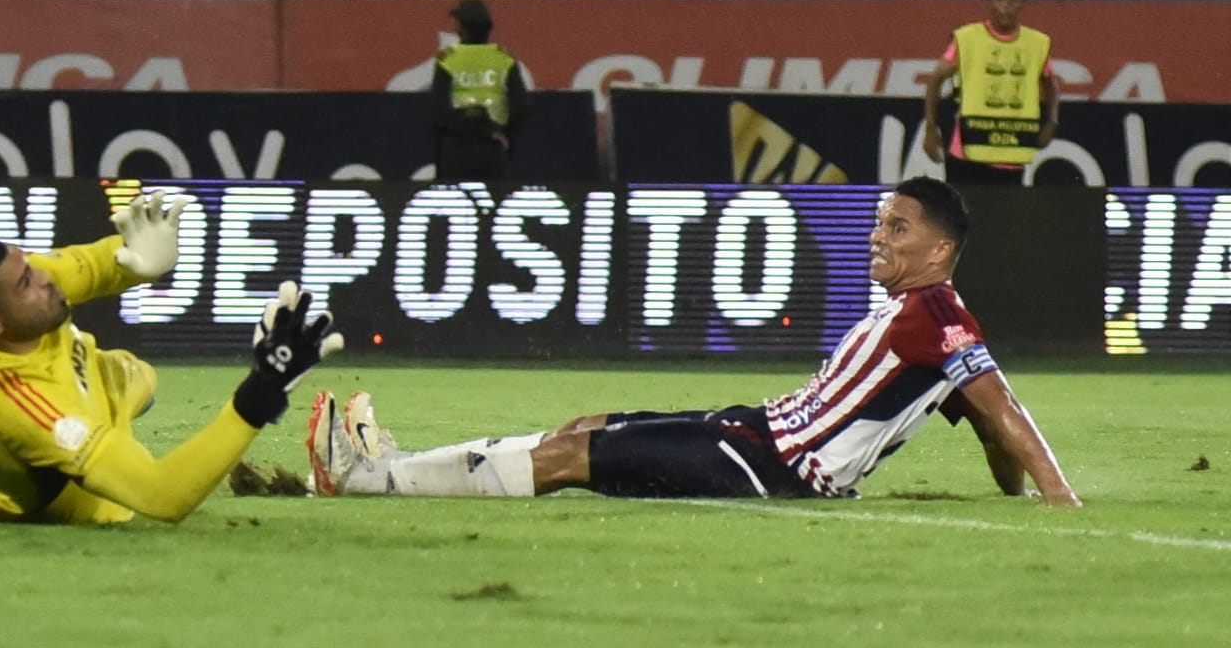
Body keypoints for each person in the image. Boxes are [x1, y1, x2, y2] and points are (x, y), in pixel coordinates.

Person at [308, 177, 1082, 509]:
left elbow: (999, 403)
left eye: (898, 228)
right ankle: (391, 469)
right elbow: (984, 422)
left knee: (574, 458)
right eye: (880, 221)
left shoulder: (937, 315)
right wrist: (1010, 492)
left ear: (939, 251)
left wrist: (1056, 496)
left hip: (774, 468)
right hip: (758, 431)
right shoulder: (920, 314)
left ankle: (369, 479)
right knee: (587, 427)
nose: (878, 236)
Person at [0, 192, 344, 524]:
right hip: (66, 489)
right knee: (1, 498)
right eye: (27, 281)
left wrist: (141, 258)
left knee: (138, 375)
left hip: (94, 379)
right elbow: (165, 496)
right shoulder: (25, 405)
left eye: (29, 264)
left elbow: (89, 268)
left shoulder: (6, 301)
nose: (44, 276)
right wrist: (258, 394)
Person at [923, 0, 1058, 185]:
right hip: (967, 149)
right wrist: (931, 128)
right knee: (962, 213)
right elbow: (935, 80)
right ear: (989, 2)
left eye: (1012, 0)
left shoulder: (1036, 43)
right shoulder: (968, 38)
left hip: (1012, 150)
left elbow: (1050, 84)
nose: (1005, 5)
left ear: (1022, 4)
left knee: (1002, 215)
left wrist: (1051, 121)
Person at [432, 0, 528, 181]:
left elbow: (438, 110)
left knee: (458, 205)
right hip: (492, 144)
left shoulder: (447, 59)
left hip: (457, 146)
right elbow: (522, 106)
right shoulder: (504, 58)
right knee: (494, 204)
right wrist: (507, 137)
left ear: (461, 28)